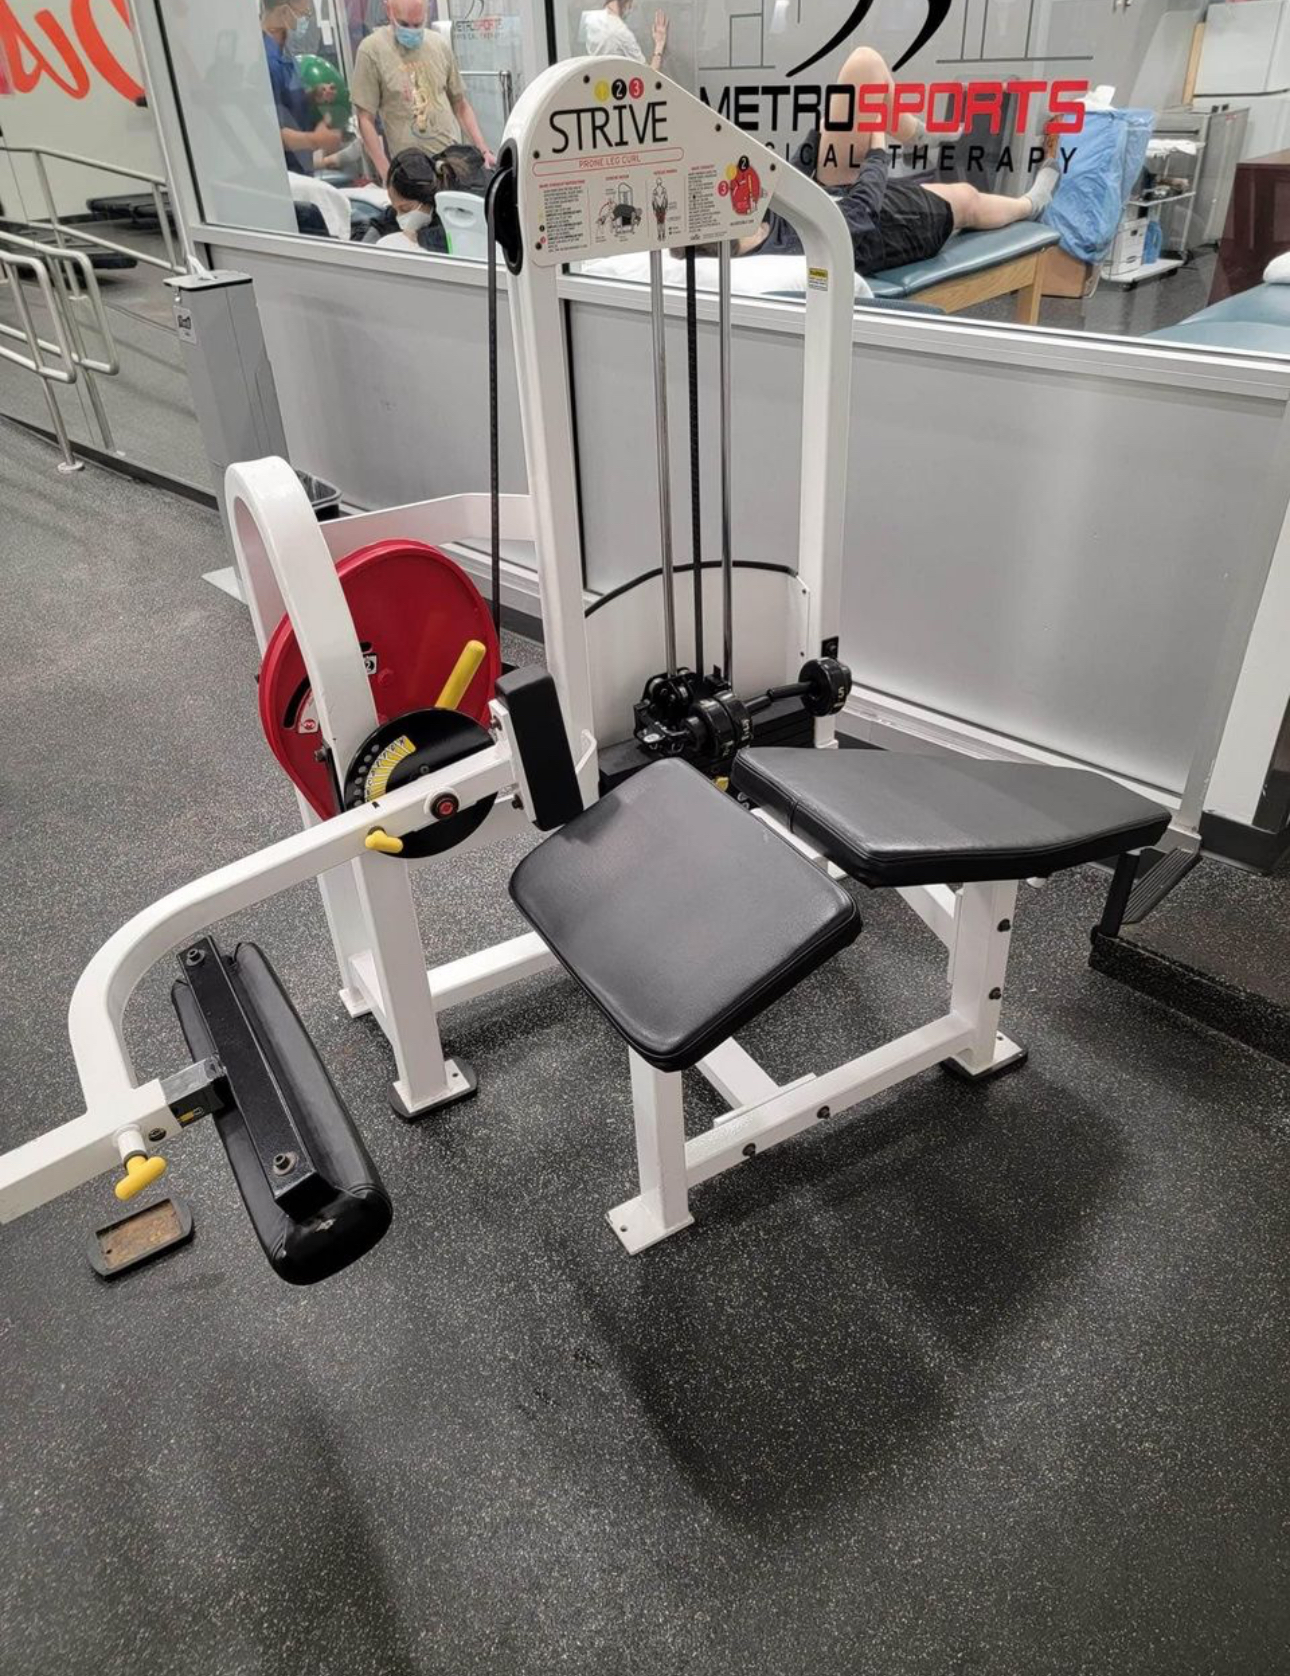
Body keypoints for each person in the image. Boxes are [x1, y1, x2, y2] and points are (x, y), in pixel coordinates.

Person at [699, 46, 1060, 279]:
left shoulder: (746, 217)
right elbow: (860, 214)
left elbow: (790, 181)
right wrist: (875, 143)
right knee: (967, 198)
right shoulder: (780, 255)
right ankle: (1030, 204)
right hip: (883, 227)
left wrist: (818, 133)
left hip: (833, 192)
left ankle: (917, 133)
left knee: (864, 63)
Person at [351, 0, 494, 187]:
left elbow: (460, 105)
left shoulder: (439, 45)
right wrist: (387, 175)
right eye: (404, 24)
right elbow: (365, 119)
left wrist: (483, 150)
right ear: (388, 10)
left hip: (451, 163)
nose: (411, 30)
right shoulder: (372, 51)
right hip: (410, 171)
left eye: (418, 24)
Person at [261, 0, 343, 175]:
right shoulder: (266, 62)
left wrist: (312, 95)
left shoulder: (284, 52)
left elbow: (285, 102)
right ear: (284, 12)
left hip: (301, 166)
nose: (305, 20)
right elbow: (271, 133)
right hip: (284, 172)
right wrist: (315, 140)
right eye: (304, 14)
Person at [580, 0, 668, 70]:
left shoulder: (589, 18)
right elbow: (648, 76)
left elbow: (581, 46)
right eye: (631, 3)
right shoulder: (621, 33)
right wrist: (659, 45)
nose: (631, 7)